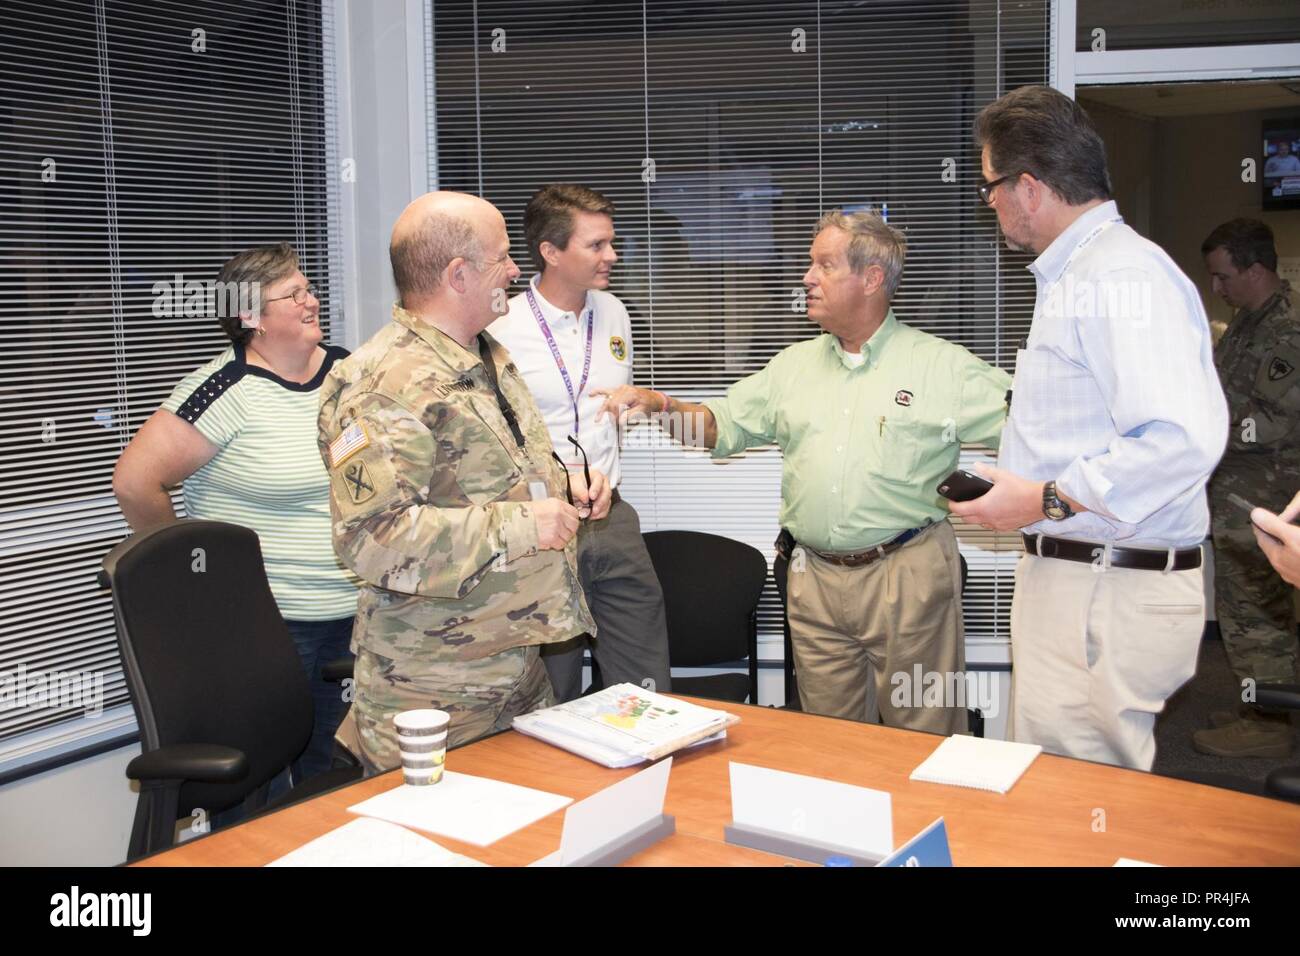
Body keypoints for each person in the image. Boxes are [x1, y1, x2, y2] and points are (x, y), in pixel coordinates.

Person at [596, 209, 1011, 733]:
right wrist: (659, 406)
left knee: (923, 736)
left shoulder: (943, 367)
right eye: (810, 264)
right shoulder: (793, 367)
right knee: (827, 740)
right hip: (813, 579)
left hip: (906, 577)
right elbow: (720, 427)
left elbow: (1030, 425)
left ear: (872, 278)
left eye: (825, 265)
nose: (806, 277)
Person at [950, 85, 1229, 772]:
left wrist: (1044, 499)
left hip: (1106, 588)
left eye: (990, 186)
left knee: (1080, 798)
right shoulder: (1081, 276)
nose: (988, 202)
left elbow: (1181, 438)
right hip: (1082, 580)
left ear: (1029, 187)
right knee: (1058, 788)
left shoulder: (1119, 276)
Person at [317, 191, 608, 774]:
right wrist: (528, 521)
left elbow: (488, 476)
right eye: (501, 257)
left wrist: (566, 481)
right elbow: (372, 538)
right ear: (458, 274)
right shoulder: (381, 385)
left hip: (514, 666)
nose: (514, 270)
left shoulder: (482, 354)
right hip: (432, 690)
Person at [113, 243, 358, 783]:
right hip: (268, 624)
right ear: (253, 318)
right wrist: (191, 575)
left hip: (357, 612)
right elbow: (135, 483)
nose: (312, 300)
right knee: (263, 785)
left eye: (308, 287)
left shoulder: (348, 372)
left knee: (335, 777)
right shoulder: (224, 390)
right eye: (293, 294)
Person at [489, 184, 671, 701]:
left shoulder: (614, 312)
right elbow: (495, 436)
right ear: (550, 251)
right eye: (596, 245)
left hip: (610, 515)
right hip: (541, 522)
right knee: (552, 682)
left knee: (644, 677)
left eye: (611, 243)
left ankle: (647, 771)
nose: (611, 256)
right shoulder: (501, 325)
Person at [1194, 219, 1299, 757]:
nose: (1217, 288)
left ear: (1256, 270)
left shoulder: (1286, 330)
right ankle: (1262, 703)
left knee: (1256, 612)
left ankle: (1270, 723)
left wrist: (1205, 429)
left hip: (1267, 497)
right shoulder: (1246, 322)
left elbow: (1275, 421)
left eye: (1223, 276)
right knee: (1249, 606)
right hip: (1239, 489)